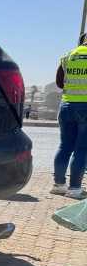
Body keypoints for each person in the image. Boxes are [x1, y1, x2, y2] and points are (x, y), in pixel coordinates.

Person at [52, 33, 87, 199]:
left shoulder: (68, 56)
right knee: (82, 149)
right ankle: (74, 189)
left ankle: (58, 185)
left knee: (64, 146)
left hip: (66, 106)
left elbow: (60, 83)